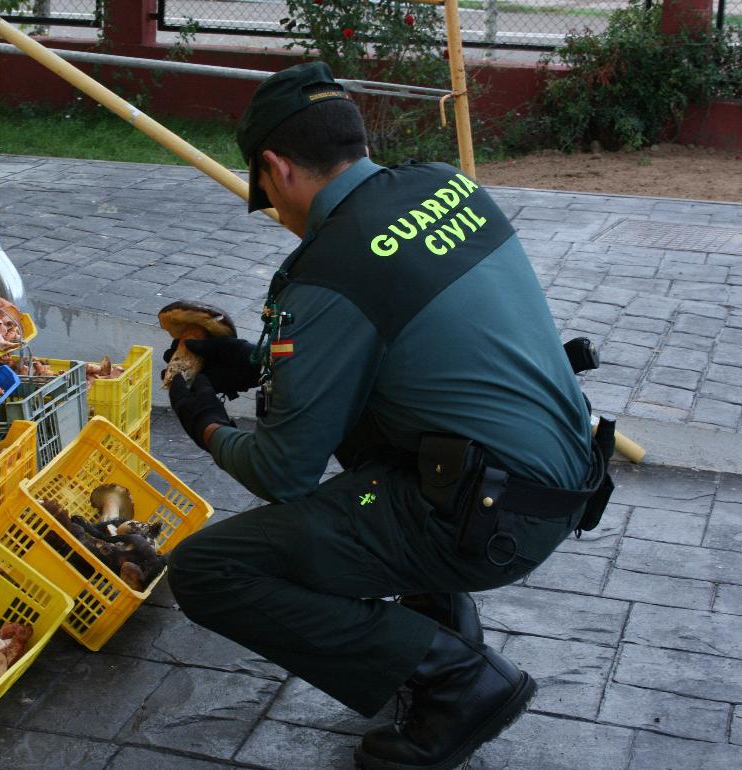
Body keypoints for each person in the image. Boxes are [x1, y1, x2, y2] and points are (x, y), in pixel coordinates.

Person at [163, 62, 614, 770]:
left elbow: (284, 471)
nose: (275, 212)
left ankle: (457, 679)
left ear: (276, 169)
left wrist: (202, 421)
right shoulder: (445, 186)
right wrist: (254, 362)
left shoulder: (328, 269)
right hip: (560, 472)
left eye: (264, 192)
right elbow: (393, 351)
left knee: (208, 571)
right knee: (361, 415)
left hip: (495, 519)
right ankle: (439, 615)